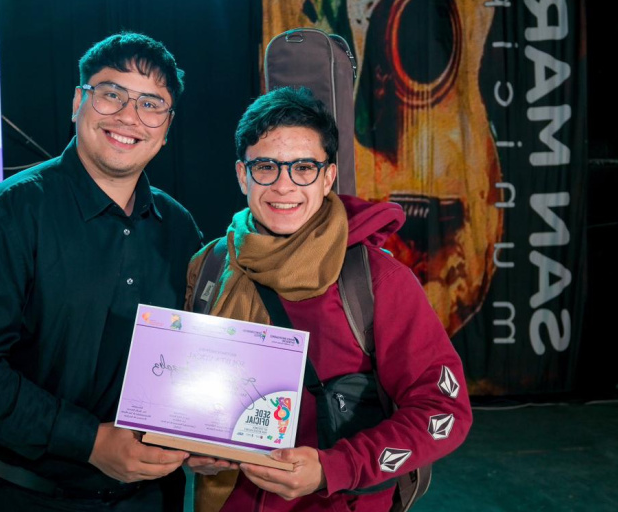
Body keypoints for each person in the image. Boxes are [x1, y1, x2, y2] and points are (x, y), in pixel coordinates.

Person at [0, 32, 202, 512]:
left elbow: (192, 357)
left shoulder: (179, 228)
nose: (129, 117)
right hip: (27, 497)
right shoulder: (5, 216)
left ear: (167, 126)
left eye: (151, 104)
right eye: (112, 94)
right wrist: (91, 442)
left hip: (152, 498)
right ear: (78, 102)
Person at [185, 87, 472, 511]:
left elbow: (444, 411)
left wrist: (333, 468)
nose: (284, 186)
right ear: (243, 175)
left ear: (328, 177)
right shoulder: (210, 266)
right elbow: (190, 392)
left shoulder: (375, 280)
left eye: (304, 168)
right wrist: (193, 446)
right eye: (265, 167)